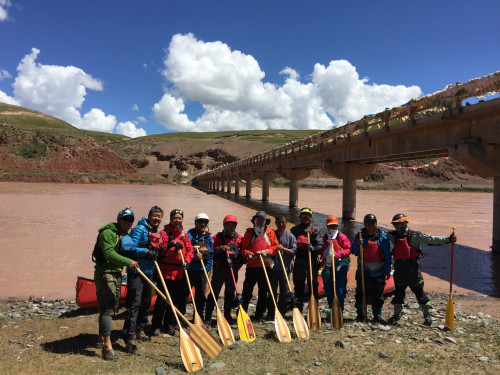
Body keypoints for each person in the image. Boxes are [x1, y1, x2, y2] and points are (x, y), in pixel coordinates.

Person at [386, 213, 457, 326]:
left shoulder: (415, 235)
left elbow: (431, 239)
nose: (396, 226)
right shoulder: (392, 235)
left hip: (412, 269)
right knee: (398, 294)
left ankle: (427, 316)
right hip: (399, 268)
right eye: (394, 224)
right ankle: (396, 315)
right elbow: (378, 234)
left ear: (404, 223)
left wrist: (448, 240)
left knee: (420, 294)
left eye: (398, 224)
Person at [94, 207, 139, 361]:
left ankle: (101, 338)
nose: (127, 222)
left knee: (111, 307)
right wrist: (129, 262)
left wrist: (145, 252)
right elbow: (109, 253)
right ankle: (107, 347)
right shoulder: (108, 233)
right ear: (118, 219)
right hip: (105, 274)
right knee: (108, 308)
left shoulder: (124, 235)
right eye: (125, 219)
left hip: (116, 273)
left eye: (130, 220)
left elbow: (131, 250)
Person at [121, 206, 163, 352]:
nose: (157, 218)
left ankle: (140, 328)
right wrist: (145, 251)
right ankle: (129, 335)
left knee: (145, 302)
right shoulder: (140, 229)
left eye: (159, 216)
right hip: (136, 272)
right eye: (155, 215)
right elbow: (129, 248)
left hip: (149, 272)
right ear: (149, 215)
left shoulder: (157, 232)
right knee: (134, 303)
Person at [152, 209, 193, 336]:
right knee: (162, 299)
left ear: (182, 220)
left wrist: (187, 260)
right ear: (170, 219)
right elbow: (158, 248)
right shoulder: (163, 233)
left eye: (179, 218)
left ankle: (169, 324)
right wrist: (168, 246)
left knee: (174, 300)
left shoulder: (184, 235)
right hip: (164, 271)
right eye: (175, 218)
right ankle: (156, 325)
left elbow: (190, 251)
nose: (177, 220)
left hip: (179, 272)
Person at [351, 214, 391, 323]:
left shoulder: (382, 238)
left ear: (376, 223)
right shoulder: (359, 236)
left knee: (378, 296)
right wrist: (357, 245)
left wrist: (387, 271)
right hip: (364, 271)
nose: (371, 225)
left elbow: (387, 256)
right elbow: (354, 251)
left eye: (373, 223)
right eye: (368, 223)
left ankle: (377, 315)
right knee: (360, 294)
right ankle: (361, 314)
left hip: (379, 271)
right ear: (365, 224)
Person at [241, 211, 279, 320]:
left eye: (262, 219)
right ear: (255, 221)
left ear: (265, 221)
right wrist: (247, 253)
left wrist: (267, 252)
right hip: (252, 266)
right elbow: (244, 249)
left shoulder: (270, 232)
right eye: (258, 219)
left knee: (263, 291)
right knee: (247, 291)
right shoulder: (249, 232)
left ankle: (259, 314)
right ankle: (242, 313)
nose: (260, 221)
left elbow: (275, 248)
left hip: (265, 266)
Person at [206, 215, 243, 325]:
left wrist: (240, 264)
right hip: (219, 270)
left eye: (233, 225)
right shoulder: (217, 237)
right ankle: (207, 317)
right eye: (229, 225)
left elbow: (243, 253)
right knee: (214, 293)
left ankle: (227, 315)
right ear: (225, 225)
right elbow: (209, 248)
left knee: (230, 294)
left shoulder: (239, 238)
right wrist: (219, 248)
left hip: (232, 270)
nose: (231, 227)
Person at [291, 207, 323, 313]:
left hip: (312, 261)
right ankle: (298, 307)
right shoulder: (294, 230)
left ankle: (314, 307)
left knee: (313, 284)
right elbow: (291, 246)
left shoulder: (316, 230)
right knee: (298, 284)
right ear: (300, 217)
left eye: (308, 216)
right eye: (303, 215)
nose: (305, 218)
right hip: (299, 260)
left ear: (311, 217)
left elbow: (320, 245)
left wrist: (313, 248)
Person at [320, 216, 351, 317]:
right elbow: (320, 251)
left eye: (334, 226)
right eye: (330, 226)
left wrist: (340, 254)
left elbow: (348, 249)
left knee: (340, 289)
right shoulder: (324, 238)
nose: (332, 227)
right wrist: (325, 246)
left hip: (340, 266)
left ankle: (339, 310)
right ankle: (331, 308)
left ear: (337, 226)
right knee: (328, 288)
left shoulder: (342, 237)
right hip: (328, 266)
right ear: (327, 226)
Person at [187, 213, 214, 322]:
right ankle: (178, 317)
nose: (202, 224)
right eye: (200, 222)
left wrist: (207, 268)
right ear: (195, 223)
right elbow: (185, 252)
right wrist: (194, 257)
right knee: (184, 294)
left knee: (201, 296)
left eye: (205, 222)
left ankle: (197, 318)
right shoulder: (189, 235)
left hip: (202, 271)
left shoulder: (208, 237)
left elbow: (211, 254)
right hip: (190, 270)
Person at [269, 214, 297, 318]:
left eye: (283, 222)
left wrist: (284, 249)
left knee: (284, 291)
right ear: (275, 223)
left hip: (286, 269)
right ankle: (271, 312)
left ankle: (282, 312)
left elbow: (294, 251)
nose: (281, 224)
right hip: (273, 269)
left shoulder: (291, 236)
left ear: (286, 223)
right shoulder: (271, 235)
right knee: (272, 291)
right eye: (279, 222)